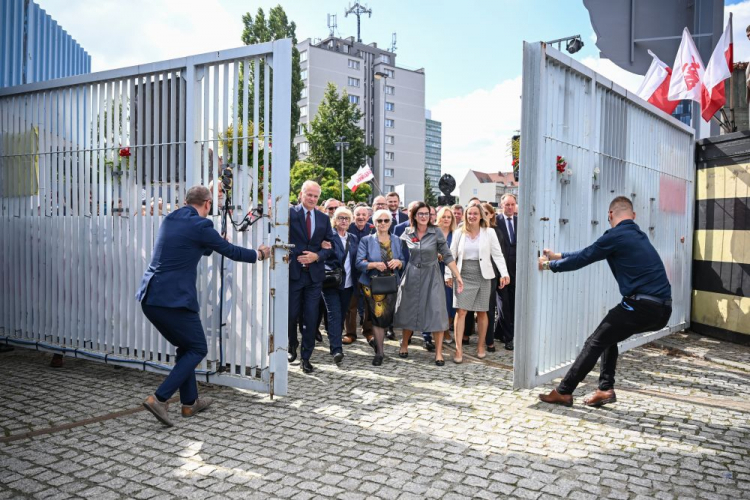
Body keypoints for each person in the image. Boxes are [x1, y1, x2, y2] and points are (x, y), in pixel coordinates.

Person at [136, 185, 270, 427]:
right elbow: (230, 251)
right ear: (207, 203)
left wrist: (214, 241)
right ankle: (159, 399)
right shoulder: (202, 225)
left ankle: (190, 403)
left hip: (151, 296)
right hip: (173, 300)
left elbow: (192, 245)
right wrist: (259, 254)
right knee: (197, 348)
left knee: (186, 347)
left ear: (186, 201)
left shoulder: (172, 218)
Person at [538, 196, 672, 407]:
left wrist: (548, 266)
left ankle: (564, 391)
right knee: (610, 336)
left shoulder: (616, 235)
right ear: (633, 215)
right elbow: (588, 251)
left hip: (641, 305)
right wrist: (557, 256)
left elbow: (584, 257)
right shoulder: (638, 235)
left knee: (595, 341)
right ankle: (605, 389)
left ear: (610, 214)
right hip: (663, 309)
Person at [395, 203, 463, 366]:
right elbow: (397, 252)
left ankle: (439, 353)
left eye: (427, 213)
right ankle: (404, 344)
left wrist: (457, 276)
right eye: (420, 214)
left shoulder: (436, 232)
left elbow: (447, 255)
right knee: (409, 309)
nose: (424, 216)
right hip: (411, 275)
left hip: (432, 275)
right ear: (414, 215)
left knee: (436, 311)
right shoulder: (407, 233)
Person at [447, 204, 510, 363]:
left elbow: (497, 254)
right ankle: (458, 349)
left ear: (481, 216)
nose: (472, 216)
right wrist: (448, 275)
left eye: (475, 214)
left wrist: (504, 273)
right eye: (469, 214)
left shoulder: (489, 233)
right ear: (465, 215)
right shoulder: (458, 233)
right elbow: (451, 255)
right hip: (463, 274)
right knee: (461, 312)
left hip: (484, 275)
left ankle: (481, 345)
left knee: (482, 312)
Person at [288, 181, 336, 374]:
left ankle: (306, 357)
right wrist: (300, 253)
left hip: (314, 276)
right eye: (309, 195)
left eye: (316, 196)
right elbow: (283, 239)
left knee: (310, 316)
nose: (313, 199)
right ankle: (291, 343)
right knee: (291, 315)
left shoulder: (323, 219)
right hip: (294, 273)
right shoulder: (290, 214)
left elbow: (331, 245)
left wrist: (317, 256)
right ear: (301, 194)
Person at [356, 209, 406, 366]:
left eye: (386, 221)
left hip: (391, 283)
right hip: (372, 284)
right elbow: (359, 263)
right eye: (379, 221)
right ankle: (379, 352)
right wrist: (373, 264)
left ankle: (380, 346)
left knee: (386, 317)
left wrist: (399, 262)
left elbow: (404, 260)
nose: (383, 223)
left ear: (391, 223)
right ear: (374, 223)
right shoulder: (366, 240)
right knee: (377, 317)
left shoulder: (397, 240)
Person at [322, 207, 359, 366]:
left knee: (341, 314)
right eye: (340, 218)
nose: (344, 221)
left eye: (347, 218)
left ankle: (334, 339)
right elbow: (324, 257)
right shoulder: (328, 237)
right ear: (335, 220)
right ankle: (336, 349)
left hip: (348, 285)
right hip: (331, 283)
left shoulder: (354, 238)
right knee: (334, 314)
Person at [344, 205, 374, 345]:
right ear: (353, 216)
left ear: (368, 216)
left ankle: (368, 331)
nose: (361, 217)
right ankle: (350, 333)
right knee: (351, 304)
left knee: (369, 303)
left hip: (369, 273)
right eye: (358, 215)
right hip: (352, 273)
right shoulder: (347, 228)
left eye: (364, 214)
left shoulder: (373, 228)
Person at [494, 194, 518, 351]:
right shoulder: (495, 222)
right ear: (501, 205)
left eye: (512, 204)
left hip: (517, 269)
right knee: (504, 305)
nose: (509, 207)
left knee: (515, 303)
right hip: (501, 270)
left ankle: (501, 331)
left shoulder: (521, 221)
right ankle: (509, 338)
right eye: (507, 204)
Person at [436, 206, 457, 344]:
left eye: (449, 217)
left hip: (451, 271)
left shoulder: (456, 233)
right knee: (438, 302)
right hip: (436, 270)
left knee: (450, 302)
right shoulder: (433, 232)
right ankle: (439, 331)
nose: (446, 219)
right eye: (444, 217)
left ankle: (446, 330)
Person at [482, 202, 502, 353]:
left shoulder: (496, 232)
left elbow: (499, 256)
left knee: (489, 308)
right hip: (473, 273)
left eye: (486, 213)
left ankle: (489, 341)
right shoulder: (470, 231)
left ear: (491, 215)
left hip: (491, 274)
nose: (483, 215)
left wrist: (503, 274)